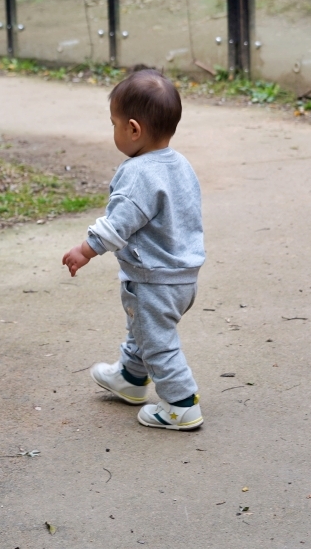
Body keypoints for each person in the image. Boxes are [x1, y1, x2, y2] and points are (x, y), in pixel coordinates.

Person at [61, 67, 205, 430]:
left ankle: (180, 404)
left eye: (114, 124)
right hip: (182, 276)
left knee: (158, 343)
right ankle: (131, 376)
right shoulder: (180, 164)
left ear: (133, 129)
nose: (113, 131)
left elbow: (118, 224)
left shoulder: (138, 173)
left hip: (154, 279)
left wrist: (85, 249)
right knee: (142, 329)